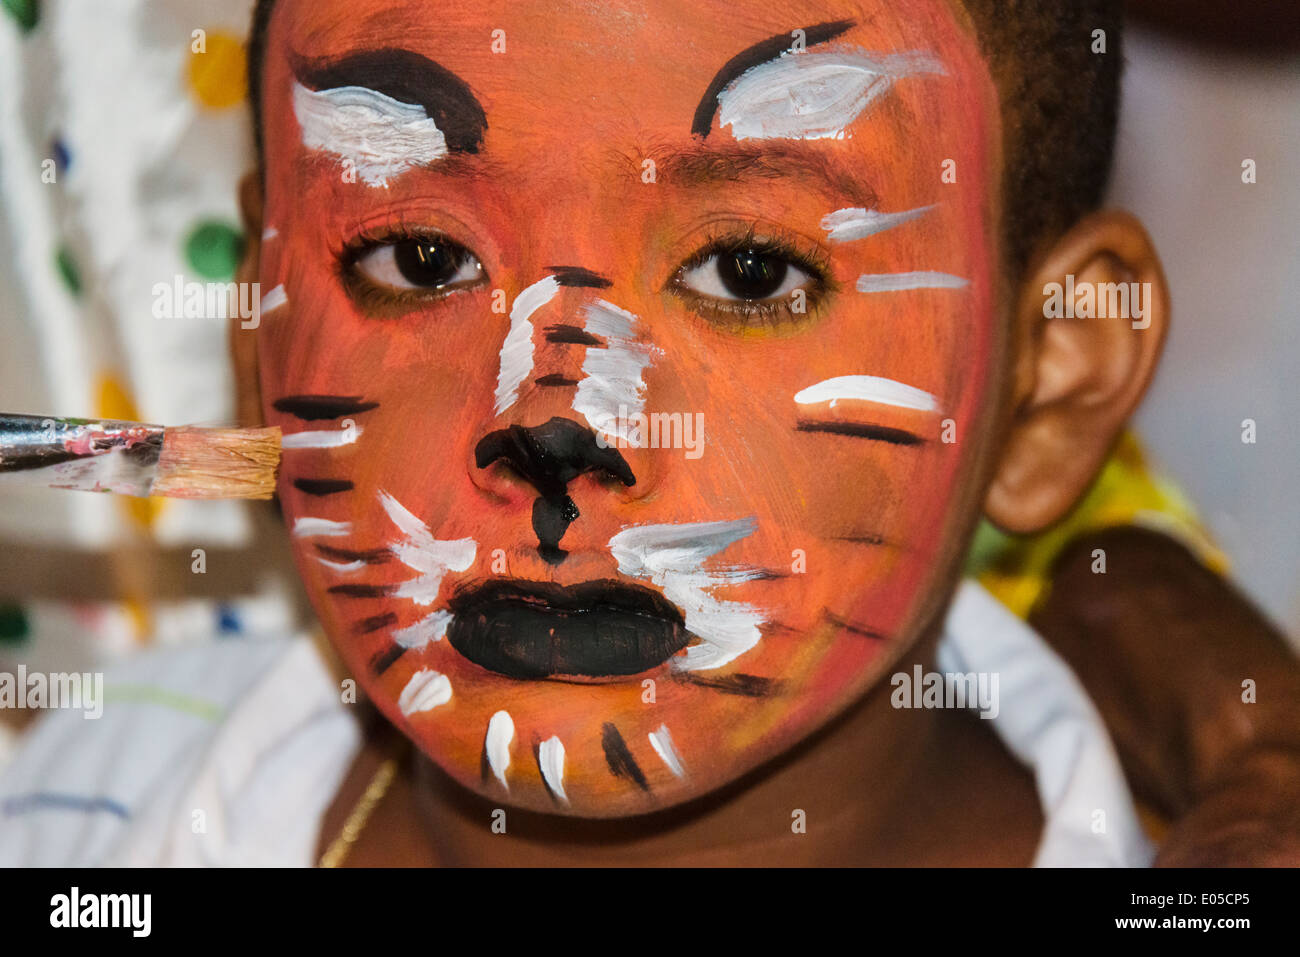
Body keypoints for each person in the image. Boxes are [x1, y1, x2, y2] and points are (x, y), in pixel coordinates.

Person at [2, 0, 1297, 866]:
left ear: (1052, 381)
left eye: (746, 271)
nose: (556, 420)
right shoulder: (69, 812)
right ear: (257, 324)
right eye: (420, 255)